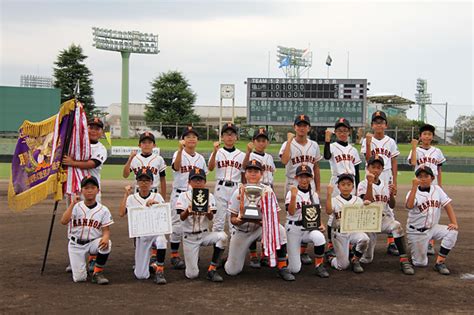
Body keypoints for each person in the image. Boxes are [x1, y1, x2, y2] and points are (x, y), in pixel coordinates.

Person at [224, 160, 295, 281]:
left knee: (280, 230)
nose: (252, 174)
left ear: (261, 174)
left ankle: (282, 266)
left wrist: (263, 222)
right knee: (232, 271)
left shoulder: (268, 191)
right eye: (249, 171)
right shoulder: (238, 191)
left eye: (256, 171)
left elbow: (275, 215)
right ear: (245, 174)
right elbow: (232, 219)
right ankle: (228, 260)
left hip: (260, 229)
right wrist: (241, 220)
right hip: (242, 232)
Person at [62, 117, 108, 273]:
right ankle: (74, 258)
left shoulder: (101, 148)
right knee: (74, 223)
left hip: (93, 191)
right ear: (86, 129)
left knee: (94, 224)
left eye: (97, 128)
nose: (94, 130)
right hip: (75, 189)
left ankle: (93, 259)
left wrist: (72, 162)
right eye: (91, 127)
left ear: (101, 132)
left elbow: (92, 164)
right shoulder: (76, 145)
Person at [357, 156, 415, 275]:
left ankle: (404, 260)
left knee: (397, 226)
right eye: (373, 167)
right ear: (368, 168)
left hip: (384, 219)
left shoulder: (385, 185)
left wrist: (392, 194)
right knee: (367, 259)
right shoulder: (362, 184)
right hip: (368, 221)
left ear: (382, 169)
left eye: (379, 167)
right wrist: (369, 184)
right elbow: (368, 201)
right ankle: (354, 254)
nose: (375, 170)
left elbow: (392, 206)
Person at [279, 114, 322, 265]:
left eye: (305, 125)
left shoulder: (314, 145)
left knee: (309, 215)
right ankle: (291, 247)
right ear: (294, 127)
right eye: (299, 125)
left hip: (309, 183)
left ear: (309, 128)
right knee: (292, 214)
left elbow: (316, 167)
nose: (302, 128)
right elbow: (284, 161)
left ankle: (302, 251)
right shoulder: (287, 144)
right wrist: (290, 141)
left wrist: (318, 188)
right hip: (292, 182)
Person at [175, 167, 227, 282]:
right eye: (194, 180)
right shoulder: (183, 196)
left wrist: (208, 212)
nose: (198, 182)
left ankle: (212, 269)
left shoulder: (210, 196)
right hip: (189, 238)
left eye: (200, 180)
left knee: (222, 237)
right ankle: (193, 258)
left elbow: (211, 217)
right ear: (189, 182)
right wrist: (188, 211)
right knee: (192, 274)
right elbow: (181, 217)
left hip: (204, 235)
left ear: (205, 181)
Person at [405, 166, 459, 275]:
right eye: (420, 176)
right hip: (417, 231)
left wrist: (454, 222)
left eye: (426, 176)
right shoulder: (412, 192)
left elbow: (447, 205)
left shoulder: (437, 189)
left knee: (452, 232)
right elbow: (409, 206)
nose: (423, 179)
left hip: (433, 228)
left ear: (432, 178)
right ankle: (417, 249)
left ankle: (440, 262)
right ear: (416, 179)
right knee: (420, 263)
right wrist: (414, 188)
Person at [60, 175, 113, 285]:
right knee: (80, 278)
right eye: (86, 188)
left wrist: (106, 237)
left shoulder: (103, 210)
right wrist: (72, 204)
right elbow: (64, 221)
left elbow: (106, 230)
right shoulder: (75, 206)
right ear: (81, 190)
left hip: (93, 242)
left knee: (107, 243)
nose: (89, 191)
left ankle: (97, 273)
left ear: (98, 190)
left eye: (92, 188)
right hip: (76, 245)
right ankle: (86, 264)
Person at [360, 111, 400, 256]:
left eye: (381, 122)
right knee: (369, 205)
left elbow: (394, 162)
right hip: (371, 174)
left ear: (386, 125)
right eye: (376, 122)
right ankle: (366, 239)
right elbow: (368, 160)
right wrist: (369, 143)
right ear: (372, 125)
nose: (379, 125)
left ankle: (391, 242)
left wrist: (395, 181)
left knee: (389, 208)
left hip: (386, 173)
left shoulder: (390, 141)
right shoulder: (367, 140)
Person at [119, 168, 168, 284]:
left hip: (156, 233)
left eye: (147, 180)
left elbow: (164, 218)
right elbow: (121, 213)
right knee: (141, 275)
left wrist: (155, 206)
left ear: (151, 182)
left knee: (162, 240)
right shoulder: (132, 198)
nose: (144, 183)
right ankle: (152, 266)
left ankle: (160, 270)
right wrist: (126, 195)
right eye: (141, 180)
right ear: (137, 182)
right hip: (142, 237)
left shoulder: (157, 197)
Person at [169, 126, 208, 269]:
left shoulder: (200, 158)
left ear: (197, 140)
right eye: (188, 136)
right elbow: (176, 167)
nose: (191, 138)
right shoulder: (177, 154)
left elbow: (204, 179)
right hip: (179, 194)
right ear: (183, 140)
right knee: (177, 226)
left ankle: (193, 254)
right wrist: (180, 150)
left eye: (194, 136)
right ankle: (174, 255)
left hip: (195, 196)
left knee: (195, 224)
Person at [323, 118, 361, 258]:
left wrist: (357, 188)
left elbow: (356, 170)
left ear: (349, 132)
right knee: (334, 213)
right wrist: (327, 141)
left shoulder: (353, 150)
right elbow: (327, 156)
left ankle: (349, 242)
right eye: (339, 131)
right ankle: (331, 244)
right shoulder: (332, 146)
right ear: (335, 132)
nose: (342, 133)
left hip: (351, 182)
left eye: (345, 130)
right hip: (337, 180)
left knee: (350, 213)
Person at [407, 123, 447, 255]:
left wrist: (440, 185)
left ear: (432, 136)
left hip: (434, 184)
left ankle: (430, 242)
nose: (427, 136)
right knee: (421, 211)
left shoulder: (437, 151)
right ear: (420, 136)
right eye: (424, 134)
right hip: (420, 184)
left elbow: (439, 169)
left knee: (434, 213)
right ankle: (419, 237)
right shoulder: (416, 150)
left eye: (429, 134)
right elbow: (413, 163)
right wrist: (413, 146)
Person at [285, 165, 328, 277]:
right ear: (296, 178)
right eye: (301, 177)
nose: (304, 180)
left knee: (319, 237)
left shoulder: (314, 195)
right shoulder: (291, 193)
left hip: (308, 229)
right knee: (295, 269)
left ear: (311, 178)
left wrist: (321, 224)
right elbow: (291, 212)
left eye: (306, 177)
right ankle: (287, 256)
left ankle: (319, 266)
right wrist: (294, 197)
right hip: (293, 229)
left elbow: (316, 213)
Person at [242, 127, 276, 268]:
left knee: (266, 223)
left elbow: (272, 175)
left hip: (267, 191)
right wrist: (248, 152)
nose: (261, 143)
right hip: (253, 191)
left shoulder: (269, 157)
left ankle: (264, 254)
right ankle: (253, 255)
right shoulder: (249, 155)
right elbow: (243, 168)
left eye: (264, 140)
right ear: (253, 141)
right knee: (252, 222)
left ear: (267, 142)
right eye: (259, 140)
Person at [325, 174, 369, 273]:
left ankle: (355, 259)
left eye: (349, 184)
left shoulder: (358, 200)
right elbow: (328, 211)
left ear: (353, 187)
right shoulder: (334, 200)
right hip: (339, 233)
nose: (346, 187)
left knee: (365, 239)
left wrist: (366, 205)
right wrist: (328, 194)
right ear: (338, 186)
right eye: (343, 184)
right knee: (343, 266)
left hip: (353, 232)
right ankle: (331, 257)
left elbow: (363, 216)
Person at [208, 122, 245, 233]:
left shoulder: (242, 155)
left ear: (236, 137)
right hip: (221, 188)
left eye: (232, 134)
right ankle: (218, 248)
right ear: (222, 137)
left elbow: (243, 175)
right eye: (227, 134)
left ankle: (233, 249)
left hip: (235, 188)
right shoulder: (217, 152)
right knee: (218, 222)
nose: (229, 136)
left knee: (233, 222)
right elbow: (210, 168)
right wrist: (214, 152)